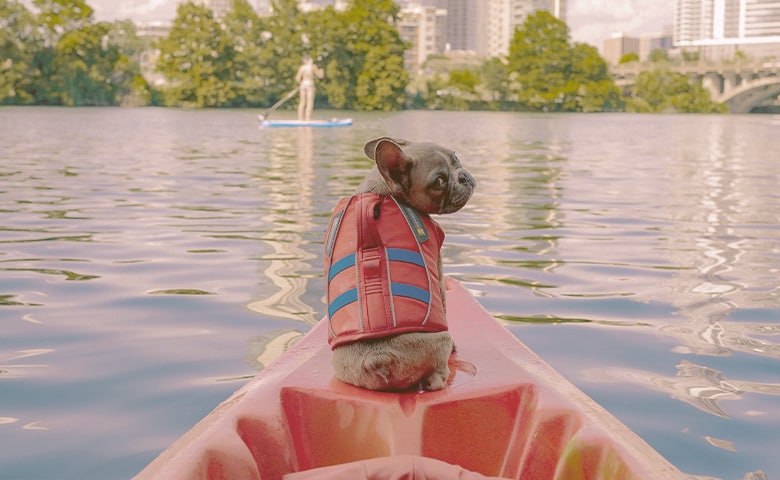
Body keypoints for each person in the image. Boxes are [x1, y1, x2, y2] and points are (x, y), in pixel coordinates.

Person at [295, 54, 324, 121]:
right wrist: (321, 70)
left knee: (302, 102)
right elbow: (320, 76)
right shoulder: (313, 66)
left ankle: (300, 119)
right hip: (310, 84)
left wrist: (301, 82)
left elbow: (297, 78)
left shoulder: (302, 67)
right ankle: (308, 119)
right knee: (309, 103)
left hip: (303, 85)